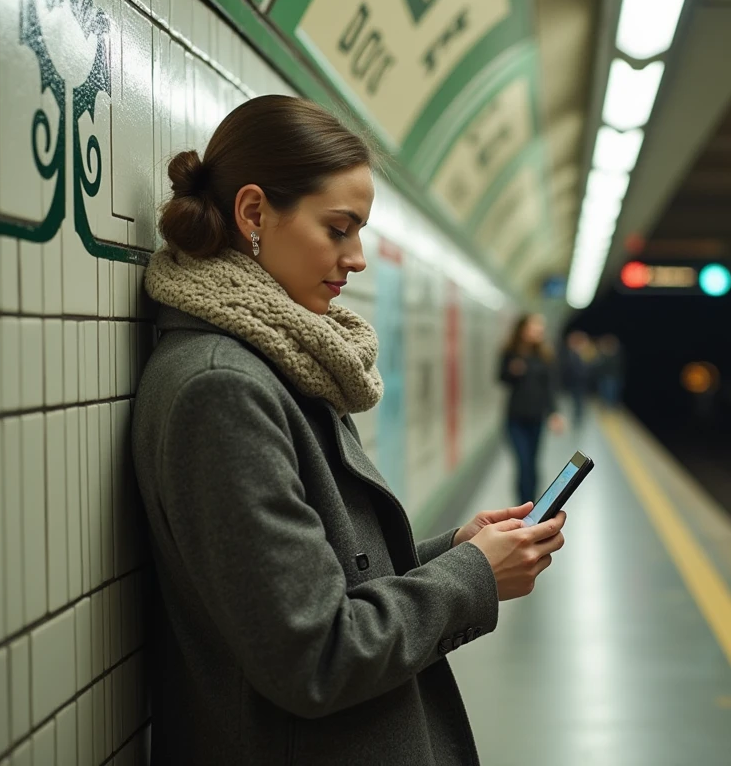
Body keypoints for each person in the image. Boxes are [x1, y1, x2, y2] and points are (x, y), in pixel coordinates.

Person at [131, 95, 567, 765]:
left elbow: (327, 586)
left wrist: (458, 549)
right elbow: (316, 653)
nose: (357, 258)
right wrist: (474, 576)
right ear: (253, 213)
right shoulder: (222, 390)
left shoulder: (278, 361)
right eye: (339, 229)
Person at [499, 314, 565, 505]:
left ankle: (531, 505)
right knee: (523, 464)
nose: (539, 331)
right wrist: (512, 371)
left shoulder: (545, 356)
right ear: (523, 329)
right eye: (534, 327)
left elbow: (550, 387)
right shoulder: (510, 353)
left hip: (536, 418)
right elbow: (501, 378)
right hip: (515, 419)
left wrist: (554, 413)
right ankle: (522, 506)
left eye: (540, 328)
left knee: (533, 464)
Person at [595, 334, 626, 407]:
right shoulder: (605, 354)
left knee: (611, 394)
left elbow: (613, 365)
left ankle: (610, 408)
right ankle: (607, 407)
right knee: (604, 394)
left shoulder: (616, 354)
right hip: (605, 377)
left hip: (613, 378)